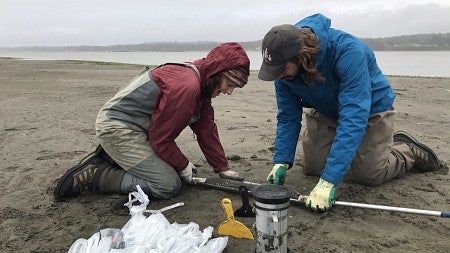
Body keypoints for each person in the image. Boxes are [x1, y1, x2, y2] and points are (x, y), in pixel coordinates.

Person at [258, 13, 442, 211]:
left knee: (369, 175)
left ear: (301, 57)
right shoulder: (283, 74)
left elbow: (354, 117)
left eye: (282, 69)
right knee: (313, 168)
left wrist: (329, 181)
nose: (278, 75)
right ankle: (358, 150)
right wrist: (282, 161)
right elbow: (288, 117)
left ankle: (405, 149)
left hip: (370, 108)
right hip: (326, 110)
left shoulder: (348, 51)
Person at [54, 42, 250, 200]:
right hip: (118, 128)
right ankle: (98, 174)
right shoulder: (187, 87)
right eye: (230, 84)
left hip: (139, 129)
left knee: (172, 168)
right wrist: (182, 165)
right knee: (168, 185)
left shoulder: (203, 81)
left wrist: (222, 167)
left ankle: (117, 158)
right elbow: (160, 138)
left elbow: (206, 128)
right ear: (217, 73)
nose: (229, 91)